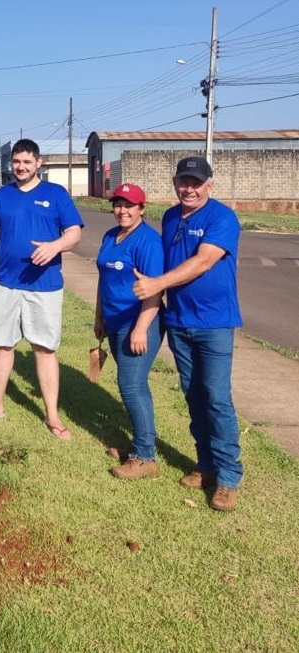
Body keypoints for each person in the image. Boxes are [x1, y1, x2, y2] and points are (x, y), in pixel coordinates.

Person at [133, 156, 243, 512]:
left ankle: (228, 477)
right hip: (179, 321)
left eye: (196, 183)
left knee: (216, 397)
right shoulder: (168, 217)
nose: (189, 189)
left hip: (214, 323)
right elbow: (161, 261)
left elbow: (204, 261)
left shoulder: (222, 217)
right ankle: (207, 465)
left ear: (209, 185)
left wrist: (158, 283)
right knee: (193, 395)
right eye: (183, 181)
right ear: (175, 182)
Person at [0, 138, 82, 439]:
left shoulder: (55, 195)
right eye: (16, 162)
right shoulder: (0, 197)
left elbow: (74, 233)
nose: (20, 167)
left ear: (38, 163)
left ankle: (53, 416)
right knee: (2, 344)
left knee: (44, 348)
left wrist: (54, 246)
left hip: (44, 286)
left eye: (27, 162)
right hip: (4, 282)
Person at [94, 183, 164, 479]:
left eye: (129, 205)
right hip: (113, 321)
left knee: (132, 386)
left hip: (138, 323)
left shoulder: (147, 241)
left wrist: (140, 328)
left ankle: (145, 457)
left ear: (142, 209)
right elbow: (104, 280)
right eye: (118, 204)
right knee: (133, 386)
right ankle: (139, 445)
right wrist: (99, 317)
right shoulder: (110, 236)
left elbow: (154, 291)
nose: (122, 211)